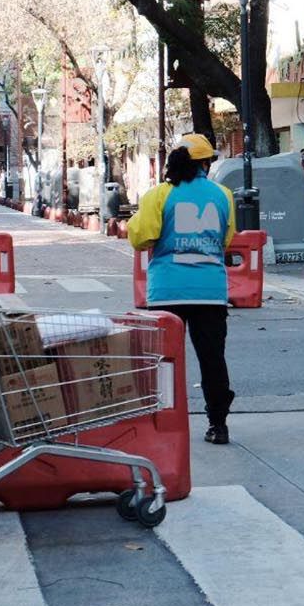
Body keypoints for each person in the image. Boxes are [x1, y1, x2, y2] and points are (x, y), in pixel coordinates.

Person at [128, 134, 237, 445]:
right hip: (210, 291)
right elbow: (226, 239)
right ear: (205, 164)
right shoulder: (223, 195)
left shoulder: (160, 194)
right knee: (212, 359)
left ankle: (163, 422)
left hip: (167, 291)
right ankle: (218, 424)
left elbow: (142, 238)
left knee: (163, 360)